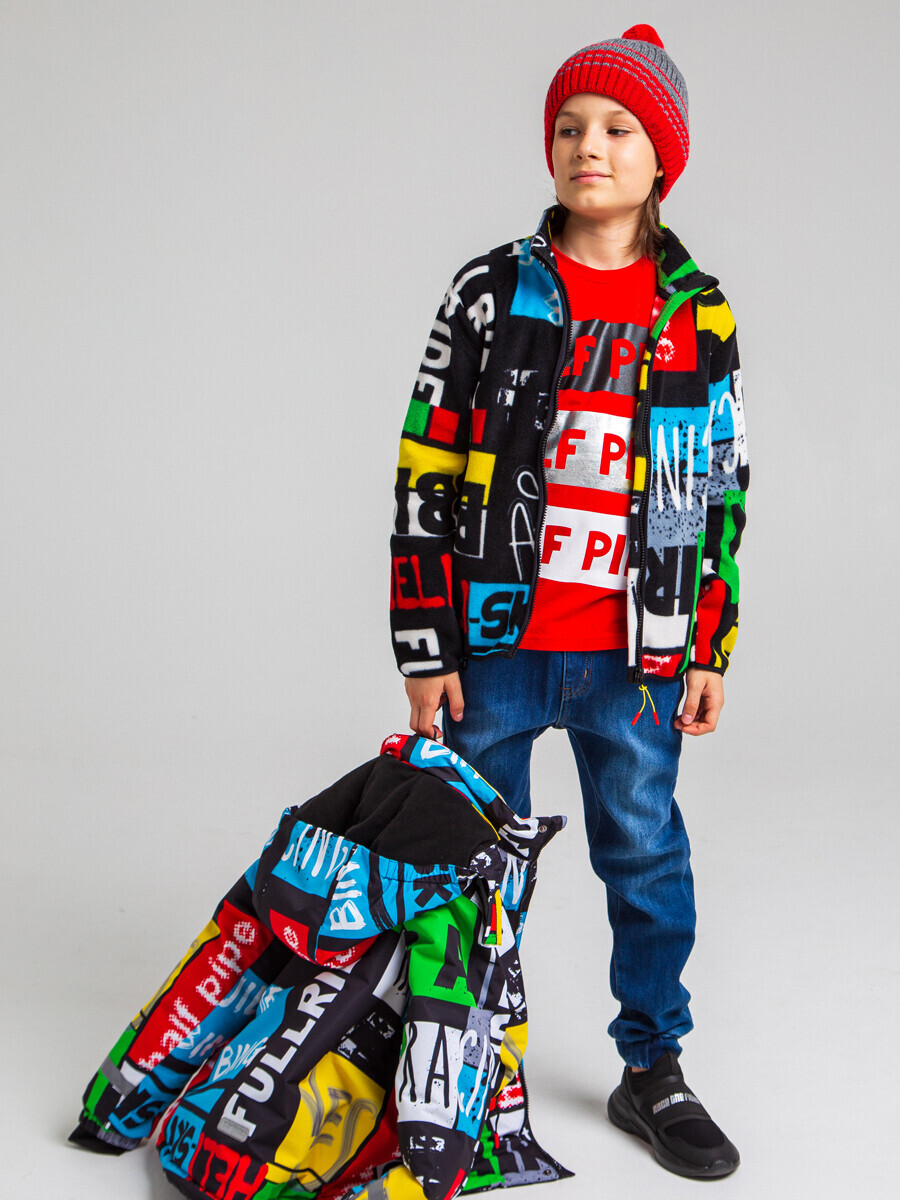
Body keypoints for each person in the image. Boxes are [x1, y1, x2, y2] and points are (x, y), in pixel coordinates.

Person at [389, 25, 747, 1181]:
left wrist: (707, 643)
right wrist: (424, 643)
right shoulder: (491, 291)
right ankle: (462, 1065)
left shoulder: (699, 313)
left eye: (618, 129)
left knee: (644, 858)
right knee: (474, 868)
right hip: (494, 649)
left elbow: (718, 490)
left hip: (632, 661)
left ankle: (654, 1067)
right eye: (569, 127)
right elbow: (426, 464)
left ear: (662, 159)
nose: (589, 147)